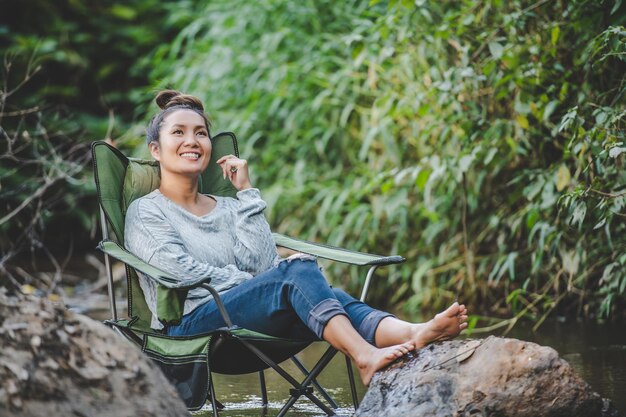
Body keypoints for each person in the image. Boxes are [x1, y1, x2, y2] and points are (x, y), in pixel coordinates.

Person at [124, 90, 469, 386]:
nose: (192, 141)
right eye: (179, 132)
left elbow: (261, 264)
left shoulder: (231, 207)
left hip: (244, 321)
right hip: (193, 329)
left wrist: (246, 192)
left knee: (318, 287)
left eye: (200, 133)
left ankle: (411, 333)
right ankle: (364, 356)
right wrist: (258, 282)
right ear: (155, 150)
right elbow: (180, 273)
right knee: (295, 272)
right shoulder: (146, 212)